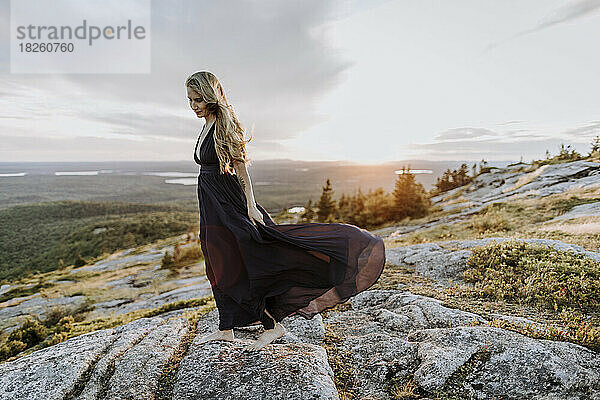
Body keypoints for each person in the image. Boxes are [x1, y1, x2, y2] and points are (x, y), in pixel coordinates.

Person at [186, 71, 386, 351]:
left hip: (228, 203)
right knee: (217, 262)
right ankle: (226, 328)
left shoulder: (224, 125)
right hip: (210, 204)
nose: (193, 105)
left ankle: (273, 327)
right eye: (189, 100)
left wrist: (251, 205)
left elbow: (241, 168)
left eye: (198, 99)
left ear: (210, 96)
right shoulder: (205, 124)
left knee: (247, 259)